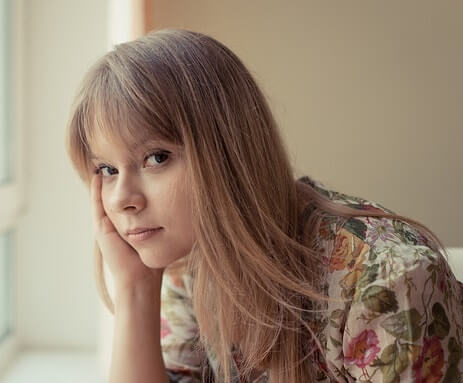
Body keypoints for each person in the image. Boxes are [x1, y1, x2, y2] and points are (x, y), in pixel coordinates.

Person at [65, 29, 463, 383]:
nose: (122, 199)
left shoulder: (389, 280)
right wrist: (136, 289)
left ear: (227, 150)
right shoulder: (193, 263)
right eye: (107, 168)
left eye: (156, 157)